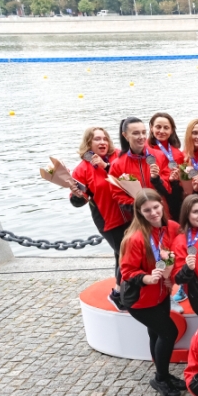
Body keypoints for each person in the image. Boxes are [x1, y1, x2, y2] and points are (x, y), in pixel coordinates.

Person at [119, 189, 182, 396]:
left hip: (161, 293)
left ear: (162, 205)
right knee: (169, 332)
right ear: (139, 212)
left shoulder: (172, 227)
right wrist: (146, 278)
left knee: (156, 334)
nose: (153, 213)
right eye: (147, 210)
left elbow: (180, 251)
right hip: (140, 299)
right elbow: (127, 271)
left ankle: (163, 374)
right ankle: (160, 379)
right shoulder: (135, 238)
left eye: (156, 207)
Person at [69, 126, 125, 306]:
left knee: (125, 253)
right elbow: (78, 201)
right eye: (97, 139)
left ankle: (130, 289)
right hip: (108, 220)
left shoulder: (118, 156)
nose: (102, 142)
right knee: (124, 253)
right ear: (89, 143)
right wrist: (77, 195)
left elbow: (127, 178)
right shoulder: (82, 169)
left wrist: (106, 166)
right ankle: (118, 293)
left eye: (105, 138)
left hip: (130, 214)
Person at [109, 117, 172, 223]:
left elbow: (168, 188)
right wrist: (139, 204)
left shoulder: (160, 156)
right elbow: (118, 194)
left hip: (162, 213)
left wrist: (157, 180)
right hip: (138, 217)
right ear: (125, 135)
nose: (141, 137)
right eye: (136, 133)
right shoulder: (117, 165)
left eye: (143, 132)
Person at [147, 112, 184, 220]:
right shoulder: (144, 149)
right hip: (150, 197)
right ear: (151, 128)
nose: (162, 131)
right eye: (158, 127)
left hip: (171, 198)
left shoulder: (177, 153)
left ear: (172, 130)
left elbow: (180, 182)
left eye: (166, 128)